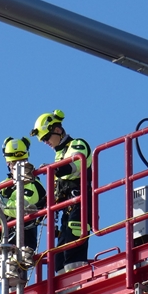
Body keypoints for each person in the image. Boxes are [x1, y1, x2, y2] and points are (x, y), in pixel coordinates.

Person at [30, 109, 92, 273]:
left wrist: (54, 170)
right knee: (58, 256)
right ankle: (61, 287)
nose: (46, 142)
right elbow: (56, 192)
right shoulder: (58, 157)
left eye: (46, 137)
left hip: (80, 204)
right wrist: (37, 207)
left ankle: (77, 281)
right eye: (43, 140)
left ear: (57, 130)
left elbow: (77, 163)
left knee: (73, 246)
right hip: (66, 209)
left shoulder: (77, 144)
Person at [0, 137, 46, 258]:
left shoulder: (33, 183)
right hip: (2, 242)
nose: (18, 166)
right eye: (15, 163)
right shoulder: (4, 184)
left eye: (22, 161)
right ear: (8, 163)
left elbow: (21, 209)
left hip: (22, 241)